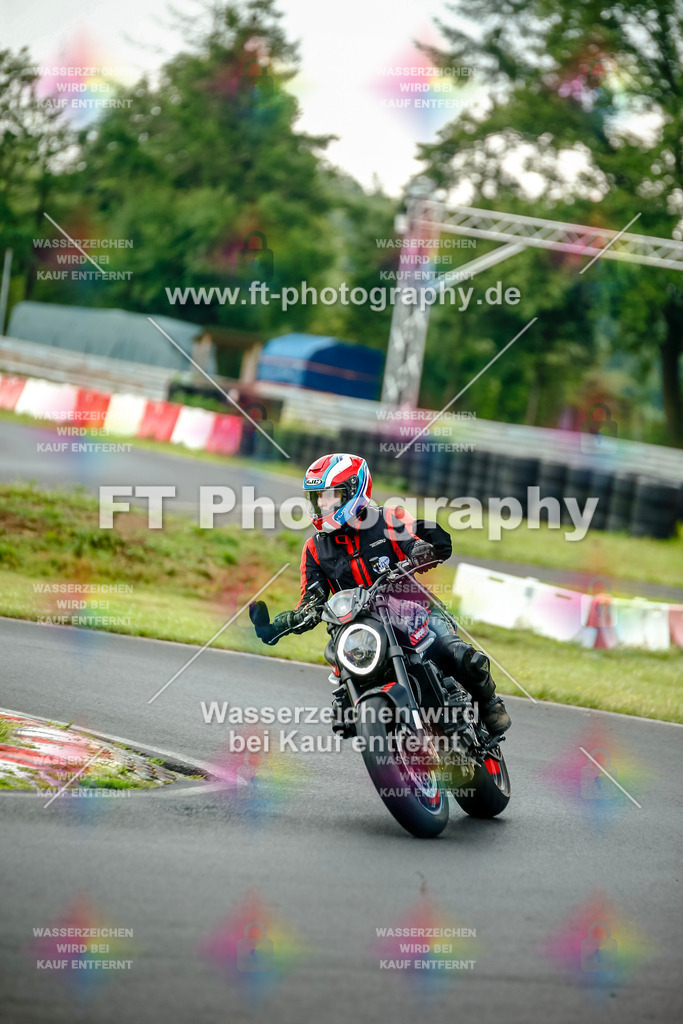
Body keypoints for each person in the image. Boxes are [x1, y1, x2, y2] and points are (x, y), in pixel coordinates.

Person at [251, 453, 511, 735]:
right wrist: (275, 626)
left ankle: (489, 705)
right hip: (359, 629)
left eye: (329, 495)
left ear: (355, 490)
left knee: (459, 655)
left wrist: (431, 546)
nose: (322, 504)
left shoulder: (388, 518)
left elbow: (414, 542)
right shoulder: (314, 549)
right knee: (343, 707)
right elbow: (311, 604)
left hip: (416, 614)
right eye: (317, 498)